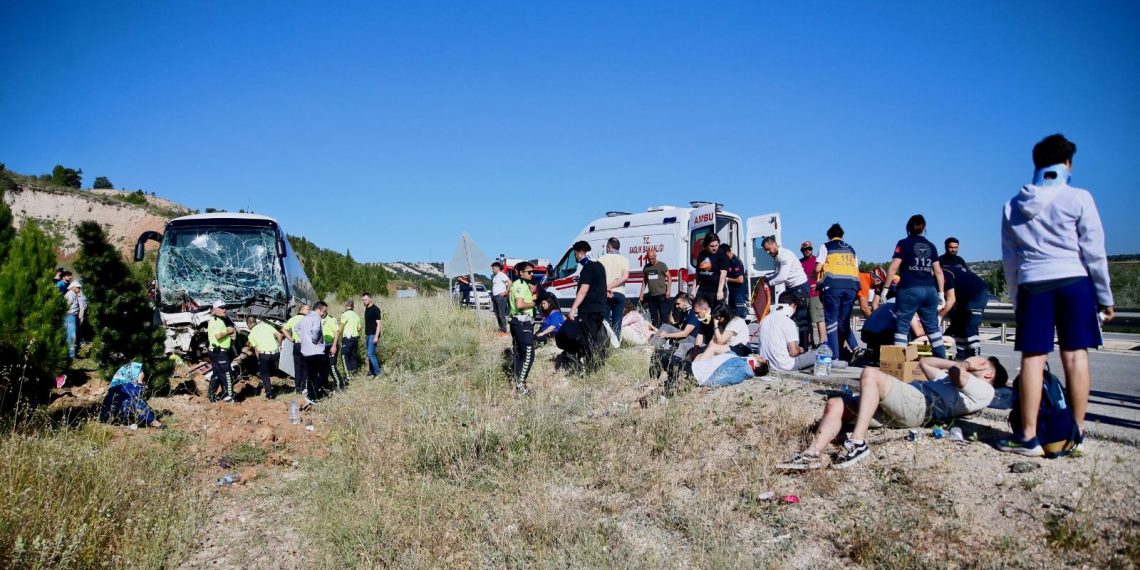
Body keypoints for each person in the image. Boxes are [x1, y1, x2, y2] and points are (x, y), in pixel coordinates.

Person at [998, 133, 1114, 457]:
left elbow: (1011, 261)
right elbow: (1094, 251)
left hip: (1034, 283)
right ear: (1067, 163)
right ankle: (1075, 432)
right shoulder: (1079, 198)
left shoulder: (1012, 206)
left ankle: (1029, 437)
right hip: (1074, 280)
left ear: (1036, 164)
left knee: (1033, 358)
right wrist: (1105, 296)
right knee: (1076, 355)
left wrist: (1016, 297)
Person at [779, 355, 1008, 470]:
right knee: (836, 404)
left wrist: (968, 363)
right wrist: (956, 362)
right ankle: (811, 454)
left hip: (921, 404)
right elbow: (925, 362)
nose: (980, 363)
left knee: (871, 373)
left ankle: (858, 442)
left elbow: (960, 373)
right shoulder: (950, 380)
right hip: (907, 403)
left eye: (984, 364)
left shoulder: (984, 390)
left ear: (989, 375)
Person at [883, 214, 947, 359]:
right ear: (923, 228)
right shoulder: (931, 246)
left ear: (908, 228)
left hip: (910, 289)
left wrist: (885, 289)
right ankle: (942, 363)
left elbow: (893, 267)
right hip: (930, 290)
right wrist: (941, 293)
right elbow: (938, 271)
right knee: (933, 329)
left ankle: (899, 363)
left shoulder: (903, 243)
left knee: (902, 327)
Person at [814, 224, 859, 360]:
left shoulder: (826, 246)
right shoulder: (851, 249)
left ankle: (834, 356)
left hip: (833, 286)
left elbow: (818, 268)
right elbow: (856, 267)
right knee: (843, 320)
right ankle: (855, 347)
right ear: (842, 235)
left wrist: (814, 279)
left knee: (831, 321)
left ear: (829, 235)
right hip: (851, 286)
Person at [568, 241, 609, 371]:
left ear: (581, 253)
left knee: (587, 340)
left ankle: (592, 368)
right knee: (597, 339)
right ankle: (599, 365)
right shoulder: (600, 266)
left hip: (588, 309)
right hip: (600, 308)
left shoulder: (588, 268)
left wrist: (573, 309)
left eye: (575, 254)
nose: (575, 257)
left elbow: (583, 290)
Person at [762, 237, 811, 344]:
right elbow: (778, 274)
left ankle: (804, 345)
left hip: (800, 287)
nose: (768, 252)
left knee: (802, 317)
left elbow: (783, 277)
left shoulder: (785, 255)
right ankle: (786, 341)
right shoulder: (778, 257)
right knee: (785, 315)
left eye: (768, 249)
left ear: (774, 244)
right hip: (791, 288)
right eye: (766, 250)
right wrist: (767, 277)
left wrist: (769, 283)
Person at [758, 291, 816, 371]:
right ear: (793, 305)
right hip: (785, 365)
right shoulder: (788, 322)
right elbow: (793, 352)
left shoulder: (764, 319)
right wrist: (801, 349)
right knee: (820, 353)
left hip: (767, 364)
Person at [943, 263, 990, 358]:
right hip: (963, 297)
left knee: (970, 324)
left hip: (977, 293)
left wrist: (939, 316)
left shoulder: (945, 273)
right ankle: (961, 356)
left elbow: (950, 299)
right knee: (958, 324)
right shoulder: (943, 272)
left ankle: (974, 356)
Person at [99, 361, 163, 428]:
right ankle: (151, 421)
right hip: (122, 418)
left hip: (108, 418)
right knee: (137, 401)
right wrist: (140, 382)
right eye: (139, 372)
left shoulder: (114, 387)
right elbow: (138, 396)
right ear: (133, 373)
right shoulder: (128, 387)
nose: (142, 374)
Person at [508, 261, 537, 394]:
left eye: (532, 272)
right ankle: (521, 384)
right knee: (528, 354)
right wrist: (533, 303)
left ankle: (516, 380)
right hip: (522, 322)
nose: (532, 274)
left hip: (518, 322)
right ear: (521, 273)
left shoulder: (521, 284)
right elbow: (519, 304)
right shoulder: (520, 285)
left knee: (519, 353)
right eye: (529, 272)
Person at [598, 238, 630, 340]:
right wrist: (612, 286)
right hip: (619, 293)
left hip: (604, 294)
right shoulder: (625, 260)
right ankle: (616, 345)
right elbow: (625, 277)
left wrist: (607, 288)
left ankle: (604, 343)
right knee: (617, 322)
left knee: (605, 321)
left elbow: (598, 278)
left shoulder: (601, 259)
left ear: (608, 246)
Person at [245, 316, 283, 399]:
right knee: (269, 367)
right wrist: (280, 347)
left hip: (265, 355)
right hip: (276, 354)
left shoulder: (251, 335)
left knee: (264, 373)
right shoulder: (266, 325)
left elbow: (256, 349)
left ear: (248, 324)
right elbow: (280, 335)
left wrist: (259, 360)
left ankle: (269, 393)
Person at [206, 300, 237, 402]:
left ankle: (211, 395)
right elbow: (218, 336)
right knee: (228, 374)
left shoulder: (220, 320)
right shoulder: (215, 320)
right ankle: (228, 397)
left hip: (218, 351)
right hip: (219, 352)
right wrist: (229, 332)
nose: (224, 310)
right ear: (215, 310)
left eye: (225, 308)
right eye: (222, 308)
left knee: (216, 374)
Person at [299, 301, 329, 402]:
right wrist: (315, 339)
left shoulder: (305, 318)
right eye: (323, 311)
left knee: (311, 374)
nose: (324, 313)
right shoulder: (316, 317)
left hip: (305, 351)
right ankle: (314, 392)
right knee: (324, 373)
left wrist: (304, 337)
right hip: (316, 351)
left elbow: (296, 328)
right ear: (319, 309)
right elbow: (316, 332)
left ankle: (311, 396)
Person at [799, 241, 825, 349]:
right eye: (805, 249)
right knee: (806, 319)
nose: (807, 251)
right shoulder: (799, 262)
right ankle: (810, 341)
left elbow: (825, 275)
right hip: (804, 294)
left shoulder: (817, 261)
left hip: (815, 294)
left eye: (809, 248)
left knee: (818, 318)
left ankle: (823, 342)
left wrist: (819, 284)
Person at [693, 233, 728, 309]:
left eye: (716, 245)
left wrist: (720, 291)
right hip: (702, 289)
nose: (714, 248)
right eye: (711, 246)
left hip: (715, 291)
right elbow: (697, 273)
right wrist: (693, 289)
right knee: (699, 311)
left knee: (715, 314)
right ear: (706, 246)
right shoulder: (702, 254)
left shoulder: (721, 254)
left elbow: (723, 274)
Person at [281, 304, 310, 395]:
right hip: (306, 345)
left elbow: (283, 329)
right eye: (308, 309)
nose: (309, 311)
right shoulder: (308, 319)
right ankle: (304, 387)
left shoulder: (293, 319)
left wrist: (291, 339)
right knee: (305, 366)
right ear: (302, 310)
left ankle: (298, 388)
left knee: (297, 367)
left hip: (296, 344)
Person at [638, 248, 670, 328]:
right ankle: (655, 333)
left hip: (661, 294)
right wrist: (641, 293)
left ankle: (666, 334)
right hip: (651, 295)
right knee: (654, 317)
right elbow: (645, 280)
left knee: (664, 316)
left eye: (653, 259)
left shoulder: (662, 265)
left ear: (656, 256)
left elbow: (669, 278)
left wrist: (668, 291)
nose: (651, 261)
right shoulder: (646, 267)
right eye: (649, 259)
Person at [337, 300, 362, 378]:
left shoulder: (345, 314)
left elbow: (341, 326)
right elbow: (359, 328)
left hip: (348, 338)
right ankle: (354, 373)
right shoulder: (357, 315)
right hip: (355, 338)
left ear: (346, 305)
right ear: (353, 306)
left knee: (344, 356)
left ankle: (348, 375)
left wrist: (337, 335)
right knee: (353, 356)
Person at [322, 309, 346, 390]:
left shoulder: (331, 319)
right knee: (325, 367)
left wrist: (334, 346)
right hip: (323, 347)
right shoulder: (318, 319)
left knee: (332, 366)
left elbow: (337, 332)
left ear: (324, 310)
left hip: (331, 345)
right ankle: (325, 386)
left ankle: (340, 385)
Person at [362, 293, 383, 377]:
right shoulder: (366, 308)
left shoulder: (376, 309)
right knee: (370, 354)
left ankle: (378, 373)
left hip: (373, 335)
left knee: (371, 354)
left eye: (365, 300)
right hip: (368, 334)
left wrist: (376, 337)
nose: (364, 301)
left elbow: (379, 324)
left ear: (370, 299)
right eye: (363, 300)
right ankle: (371, 372)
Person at [490, 262, 511, 338]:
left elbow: (509, 282)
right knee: (497, 314)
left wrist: (506, 292)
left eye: (493, 268)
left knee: (501, 314)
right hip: (495, 297)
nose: (492, 269)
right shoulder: (495, 276)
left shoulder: (502, 275)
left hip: (500, 297)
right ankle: (500, 329)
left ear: (497, 268)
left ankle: (504, 330)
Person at [64, 281, 82, 358]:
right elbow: (67, 306)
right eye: (78, 287)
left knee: (72, 334)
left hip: (73, 316)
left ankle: (71, 353)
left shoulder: (74, 294)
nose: (79, 288)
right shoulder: (70, 295)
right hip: (70, 316)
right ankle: (71, 354)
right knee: (71, 335)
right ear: (73, 287)